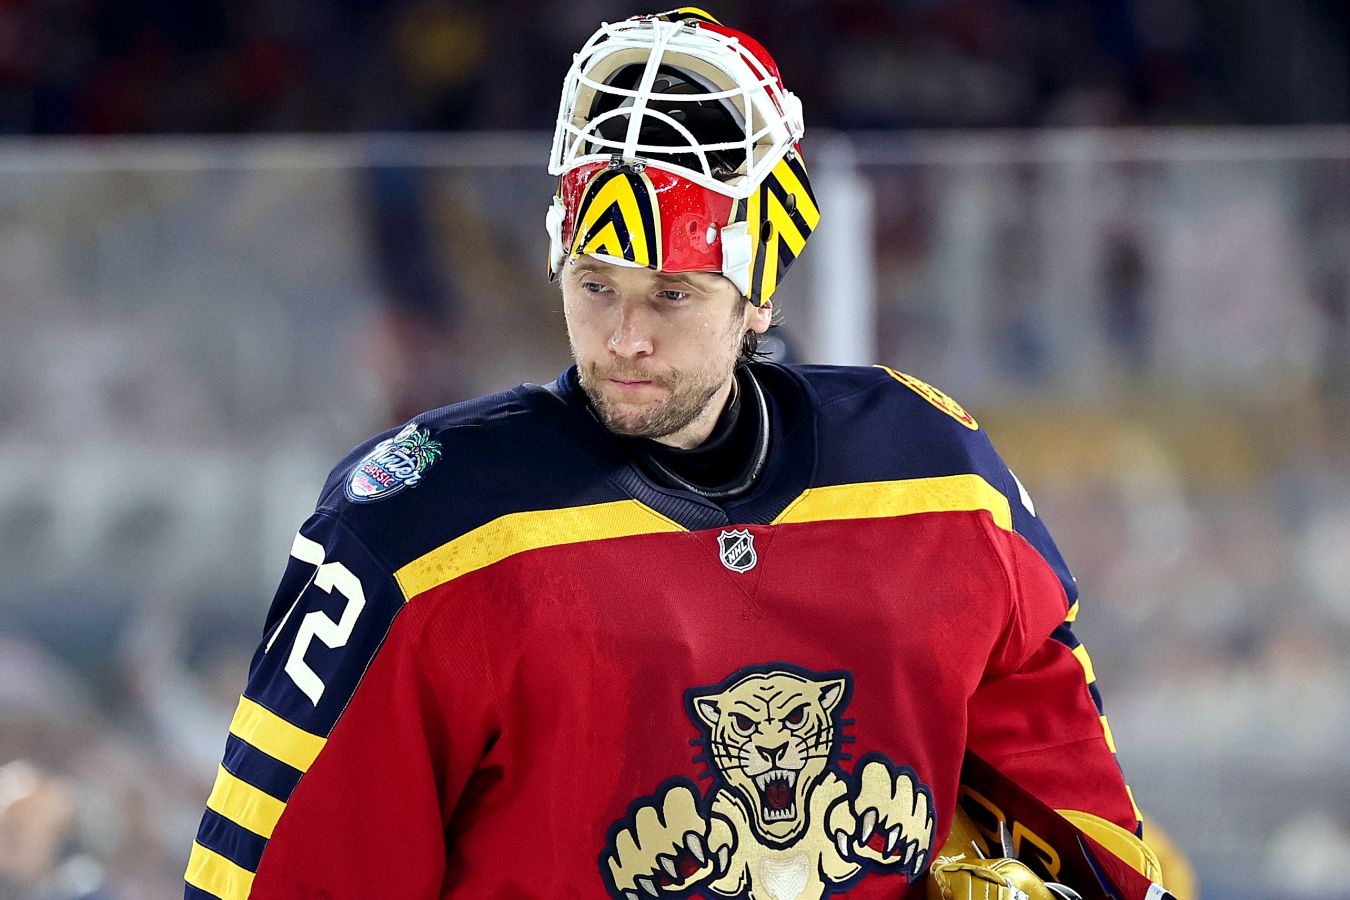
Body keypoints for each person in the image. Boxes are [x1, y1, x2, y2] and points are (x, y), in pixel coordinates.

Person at [184, 9, 1173, 899]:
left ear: (759, 295)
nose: (624, 340)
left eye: (672, 294)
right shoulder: (413, 529)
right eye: (595, 285)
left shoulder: (938, 481)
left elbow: (1091, 839)